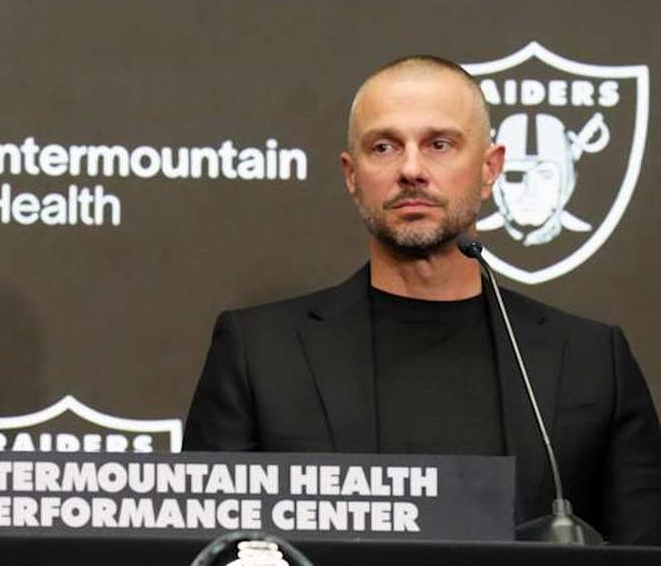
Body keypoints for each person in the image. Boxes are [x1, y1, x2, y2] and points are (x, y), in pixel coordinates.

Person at [183, 56, 661, 545]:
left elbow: (643, 549)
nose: (411, 169)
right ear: (351, 175)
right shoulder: (258, 354)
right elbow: (211, 551)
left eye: (439, 144)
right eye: (384, 146)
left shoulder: (592, 361)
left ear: (490, 168)